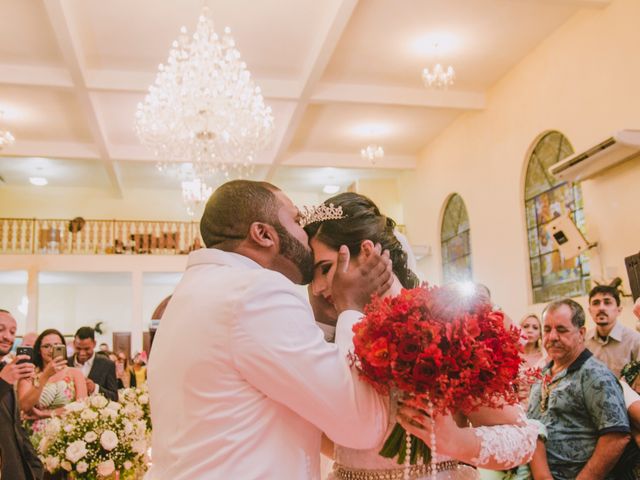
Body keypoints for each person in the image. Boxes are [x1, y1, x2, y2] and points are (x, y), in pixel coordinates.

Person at [147, 180, 394, 480]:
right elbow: (361, 425)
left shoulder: (190, 295)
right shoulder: (255, 292)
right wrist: (352, 308)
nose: (305, 232)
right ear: (263, 234)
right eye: (297, 220)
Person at [305, 193, 538, 479]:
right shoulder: (327, 332)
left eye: (325, 269)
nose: (316, 287)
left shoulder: (442, 321)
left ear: (367, 252)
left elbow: (523, 438)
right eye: (310, 277)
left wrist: (456, 442)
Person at [527, 298, 630, 479]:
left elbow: (616, 437)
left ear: (581, 333)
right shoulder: (542, 374)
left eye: (561, 330)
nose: (552, 337)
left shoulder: (595, 375)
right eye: (547, 329)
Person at [17, 329, 87, 442]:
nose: (51, 350)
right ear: (39, 350)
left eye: (57, 345)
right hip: (33, 436)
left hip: (68, 435)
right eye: (46, 346)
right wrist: (45, 376)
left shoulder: (75, 373)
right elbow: (24, 407)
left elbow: (82, 409)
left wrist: (45, 414)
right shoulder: (29, 374)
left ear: (64, 348)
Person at [0, 309, 44, 480]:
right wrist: (3, 381)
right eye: (1, 329)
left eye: (12, 331)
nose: (8, 337)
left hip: (15, 469)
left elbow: (15, 423)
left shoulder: (7, 369)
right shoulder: (6, 375)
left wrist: (34, 466)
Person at [585, 285, 640, 378]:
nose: (601, 308)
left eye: (607, 302)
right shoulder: (583, 342)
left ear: (619, 310)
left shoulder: (635, 341)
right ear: (590, 311)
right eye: (596, 303)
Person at [68, 326, 118, 401]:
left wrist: (95, 388)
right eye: (78, 348)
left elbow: (114, 397)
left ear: (94, 344)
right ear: (74, 343)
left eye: (86, 349)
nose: (82, 353)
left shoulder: (107, 364)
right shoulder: (66, 363)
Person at [517, 314, 546, 407]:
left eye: (535, 328)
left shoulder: (545, 357)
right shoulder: (512, 355)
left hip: (539, 406)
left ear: (540, 333)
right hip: (515, 405)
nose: (530, 330)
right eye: (526, 326)